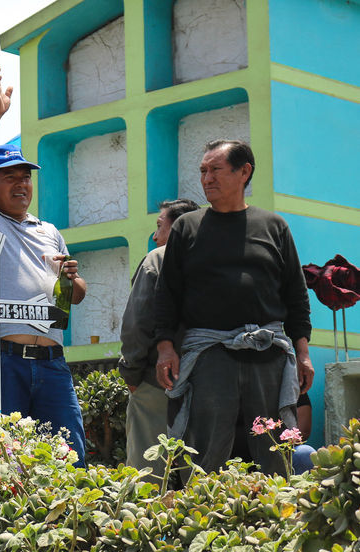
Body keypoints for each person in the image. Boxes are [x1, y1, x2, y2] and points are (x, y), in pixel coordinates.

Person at [153, 139, 314, 476]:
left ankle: (276, 507)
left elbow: (296, 296)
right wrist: (165, 348)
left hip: (267, 355)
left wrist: (303, 353)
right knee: (205, 449)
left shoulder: (274, 226)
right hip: (210, 356)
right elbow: (167, 294)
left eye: (215, 170)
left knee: (273, 447)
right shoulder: (187, 227)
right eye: (203, 171)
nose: (206, 178)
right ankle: (201, 507)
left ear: (244, 172)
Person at [0, 66, 88, 465]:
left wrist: (71, 278)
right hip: (2, 361)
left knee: (70, 458)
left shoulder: (49, 231)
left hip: (52, 363)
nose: (21, 184)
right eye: (9, 177)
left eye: (26, 177)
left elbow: (75, 297)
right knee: (2, 463)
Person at [118, 198, 199, 477]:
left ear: (177, 227)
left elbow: (137, 322)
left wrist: (132, 373)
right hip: (208, 379)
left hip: (158, 380)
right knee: (199, 469)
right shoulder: (215, 260)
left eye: (159, 225)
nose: (155, 236)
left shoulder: (158, 258)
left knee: (147, 470)